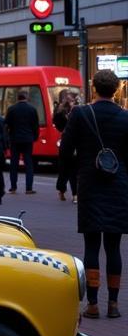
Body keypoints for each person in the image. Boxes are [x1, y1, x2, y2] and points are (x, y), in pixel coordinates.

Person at [58, 68, 128, 319]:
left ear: (94, 88)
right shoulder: (125, 117)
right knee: (113, 246)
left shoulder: (80, 114)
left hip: (90, 184)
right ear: (116, 89)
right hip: (118, 186)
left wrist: (82, 160)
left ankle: (93, 304)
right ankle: (114, 304)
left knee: (91, 244)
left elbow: (65, 151)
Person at [4, 90, 39, 194]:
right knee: (28, 163)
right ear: (26, 97)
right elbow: (35, 126)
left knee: (14, 163)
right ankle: (29, 188)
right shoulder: (32, 109)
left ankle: (13, 187)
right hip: (28, 139)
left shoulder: (11, 109)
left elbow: (7, 125)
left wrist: (8, 137)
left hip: (15, 139)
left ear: (17, 97)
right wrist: (34, 137)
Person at [52, 89, 78, 202]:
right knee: (71, 171)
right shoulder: (75, 112)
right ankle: (73, 194)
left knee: (65, 170)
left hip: (66, 144)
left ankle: (64, 192)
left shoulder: (60, 112)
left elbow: (57, 125)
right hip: (72, 144)